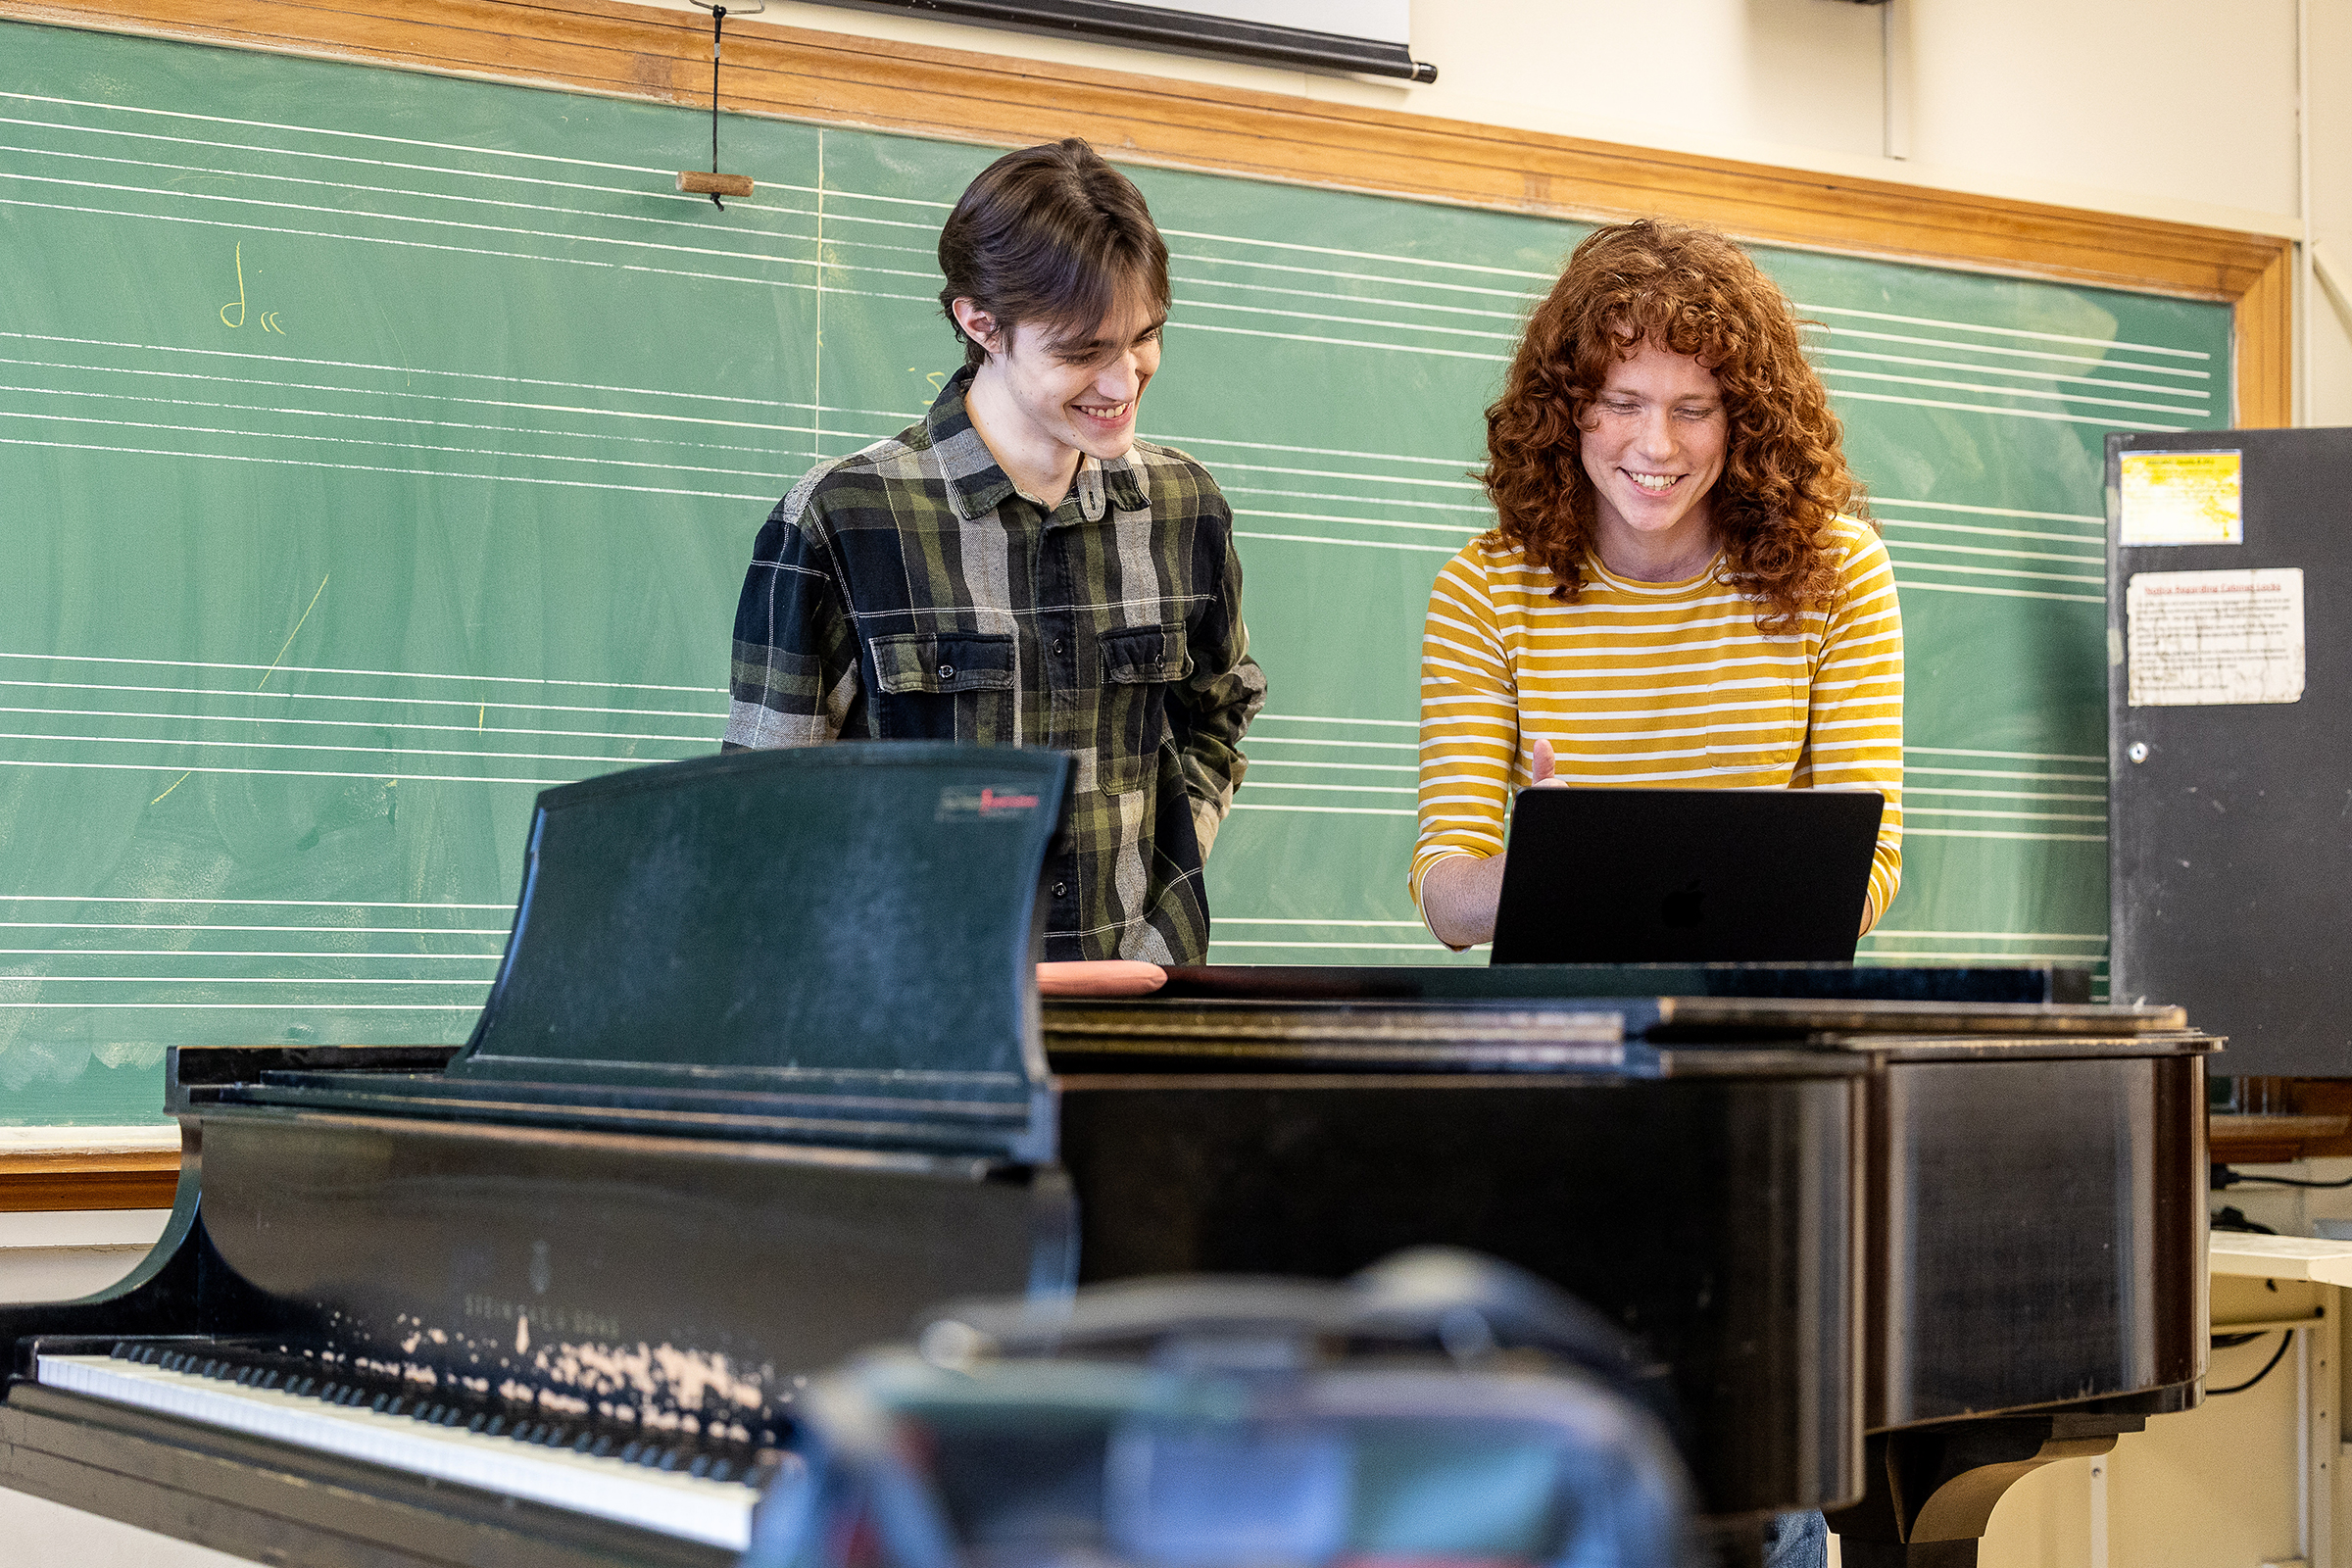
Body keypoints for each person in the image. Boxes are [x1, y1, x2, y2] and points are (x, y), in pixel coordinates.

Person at [724, 138, 1265, 964]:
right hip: (912, 1030)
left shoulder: (1186, 507)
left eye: (1145, 337)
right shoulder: (841, 519)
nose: (1124, 383)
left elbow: (1217, 712)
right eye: (1084, 351)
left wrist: (1164, 900)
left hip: (1139, 1013)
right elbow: (764, 822)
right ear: (980, 323)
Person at [1412, 218, 1902, 957]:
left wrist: (1620, 871)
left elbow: (1866, 873)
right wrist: (1542, 867)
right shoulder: (1483, 587)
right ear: (1567, 408)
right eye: (1621, 402)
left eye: (1694, 410)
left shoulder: (1836, 568)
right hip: (1568, 1038)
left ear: (1746, 420)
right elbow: (1447, 901)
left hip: (1762, 1024)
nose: (1657, 445)